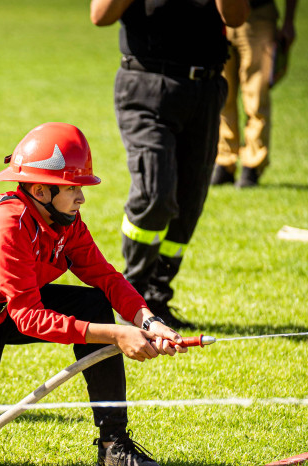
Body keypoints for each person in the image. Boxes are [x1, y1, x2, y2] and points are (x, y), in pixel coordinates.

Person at [0, 122, 186, 466]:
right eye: (74, 189)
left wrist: (147, 320)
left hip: (3, 307)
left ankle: (113, 450)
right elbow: (29, 318)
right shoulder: (8, 224)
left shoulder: (65, 220)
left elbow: (106, 277)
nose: (82, 198)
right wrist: (117, 335)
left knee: (93, 303)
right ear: (40, 189)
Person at [91, 0, 249, 329]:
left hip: (205, 88)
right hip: (147, 83)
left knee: (189, 203)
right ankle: (131, 297)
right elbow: (100, 15)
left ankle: (158, 298)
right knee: (155, 194)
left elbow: (236, 17)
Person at [211, 0, 298, 188]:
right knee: (221, 94)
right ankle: (224, 160)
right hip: (217, 16)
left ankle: (252, 163)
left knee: (256, 96)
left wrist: (289, 21)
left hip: (257, 14)